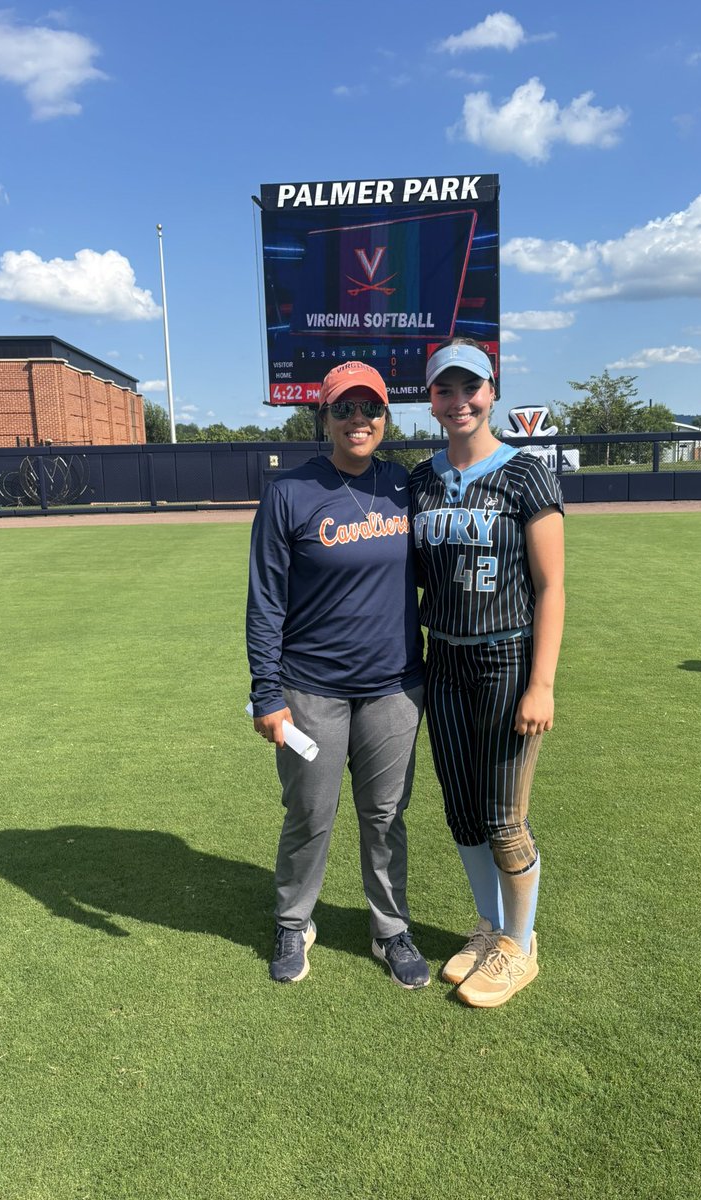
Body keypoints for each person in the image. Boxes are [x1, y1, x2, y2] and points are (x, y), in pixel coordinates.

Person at [246, 360, 429, 989]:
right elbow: (265, 600)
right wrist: (266, 693)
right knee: (309, 813)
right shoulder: (289, 493)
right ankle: (294, 920)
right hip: (310, 688)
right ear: (321, 416)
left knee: (385, 815)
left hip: (395, 687)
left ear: (386, 416)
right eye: (344, 408)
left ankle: (391, 928)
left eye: (371, 407)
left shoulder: (405, 486)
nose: (359, 419)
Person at [409, 338, 565, 1008]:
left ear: (492, 391)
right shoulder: (419, 479)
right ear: (432, 399)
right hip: (441, 658)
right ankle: (493, 926)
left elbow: (552, 586)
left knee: (505, 817)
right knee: (463, 813)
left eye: (470, 388)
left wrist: (542, 682)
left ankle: (520, 946)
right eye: (445, 389)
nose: (459, 401)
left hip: (506, 658)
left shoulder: (525, 474)